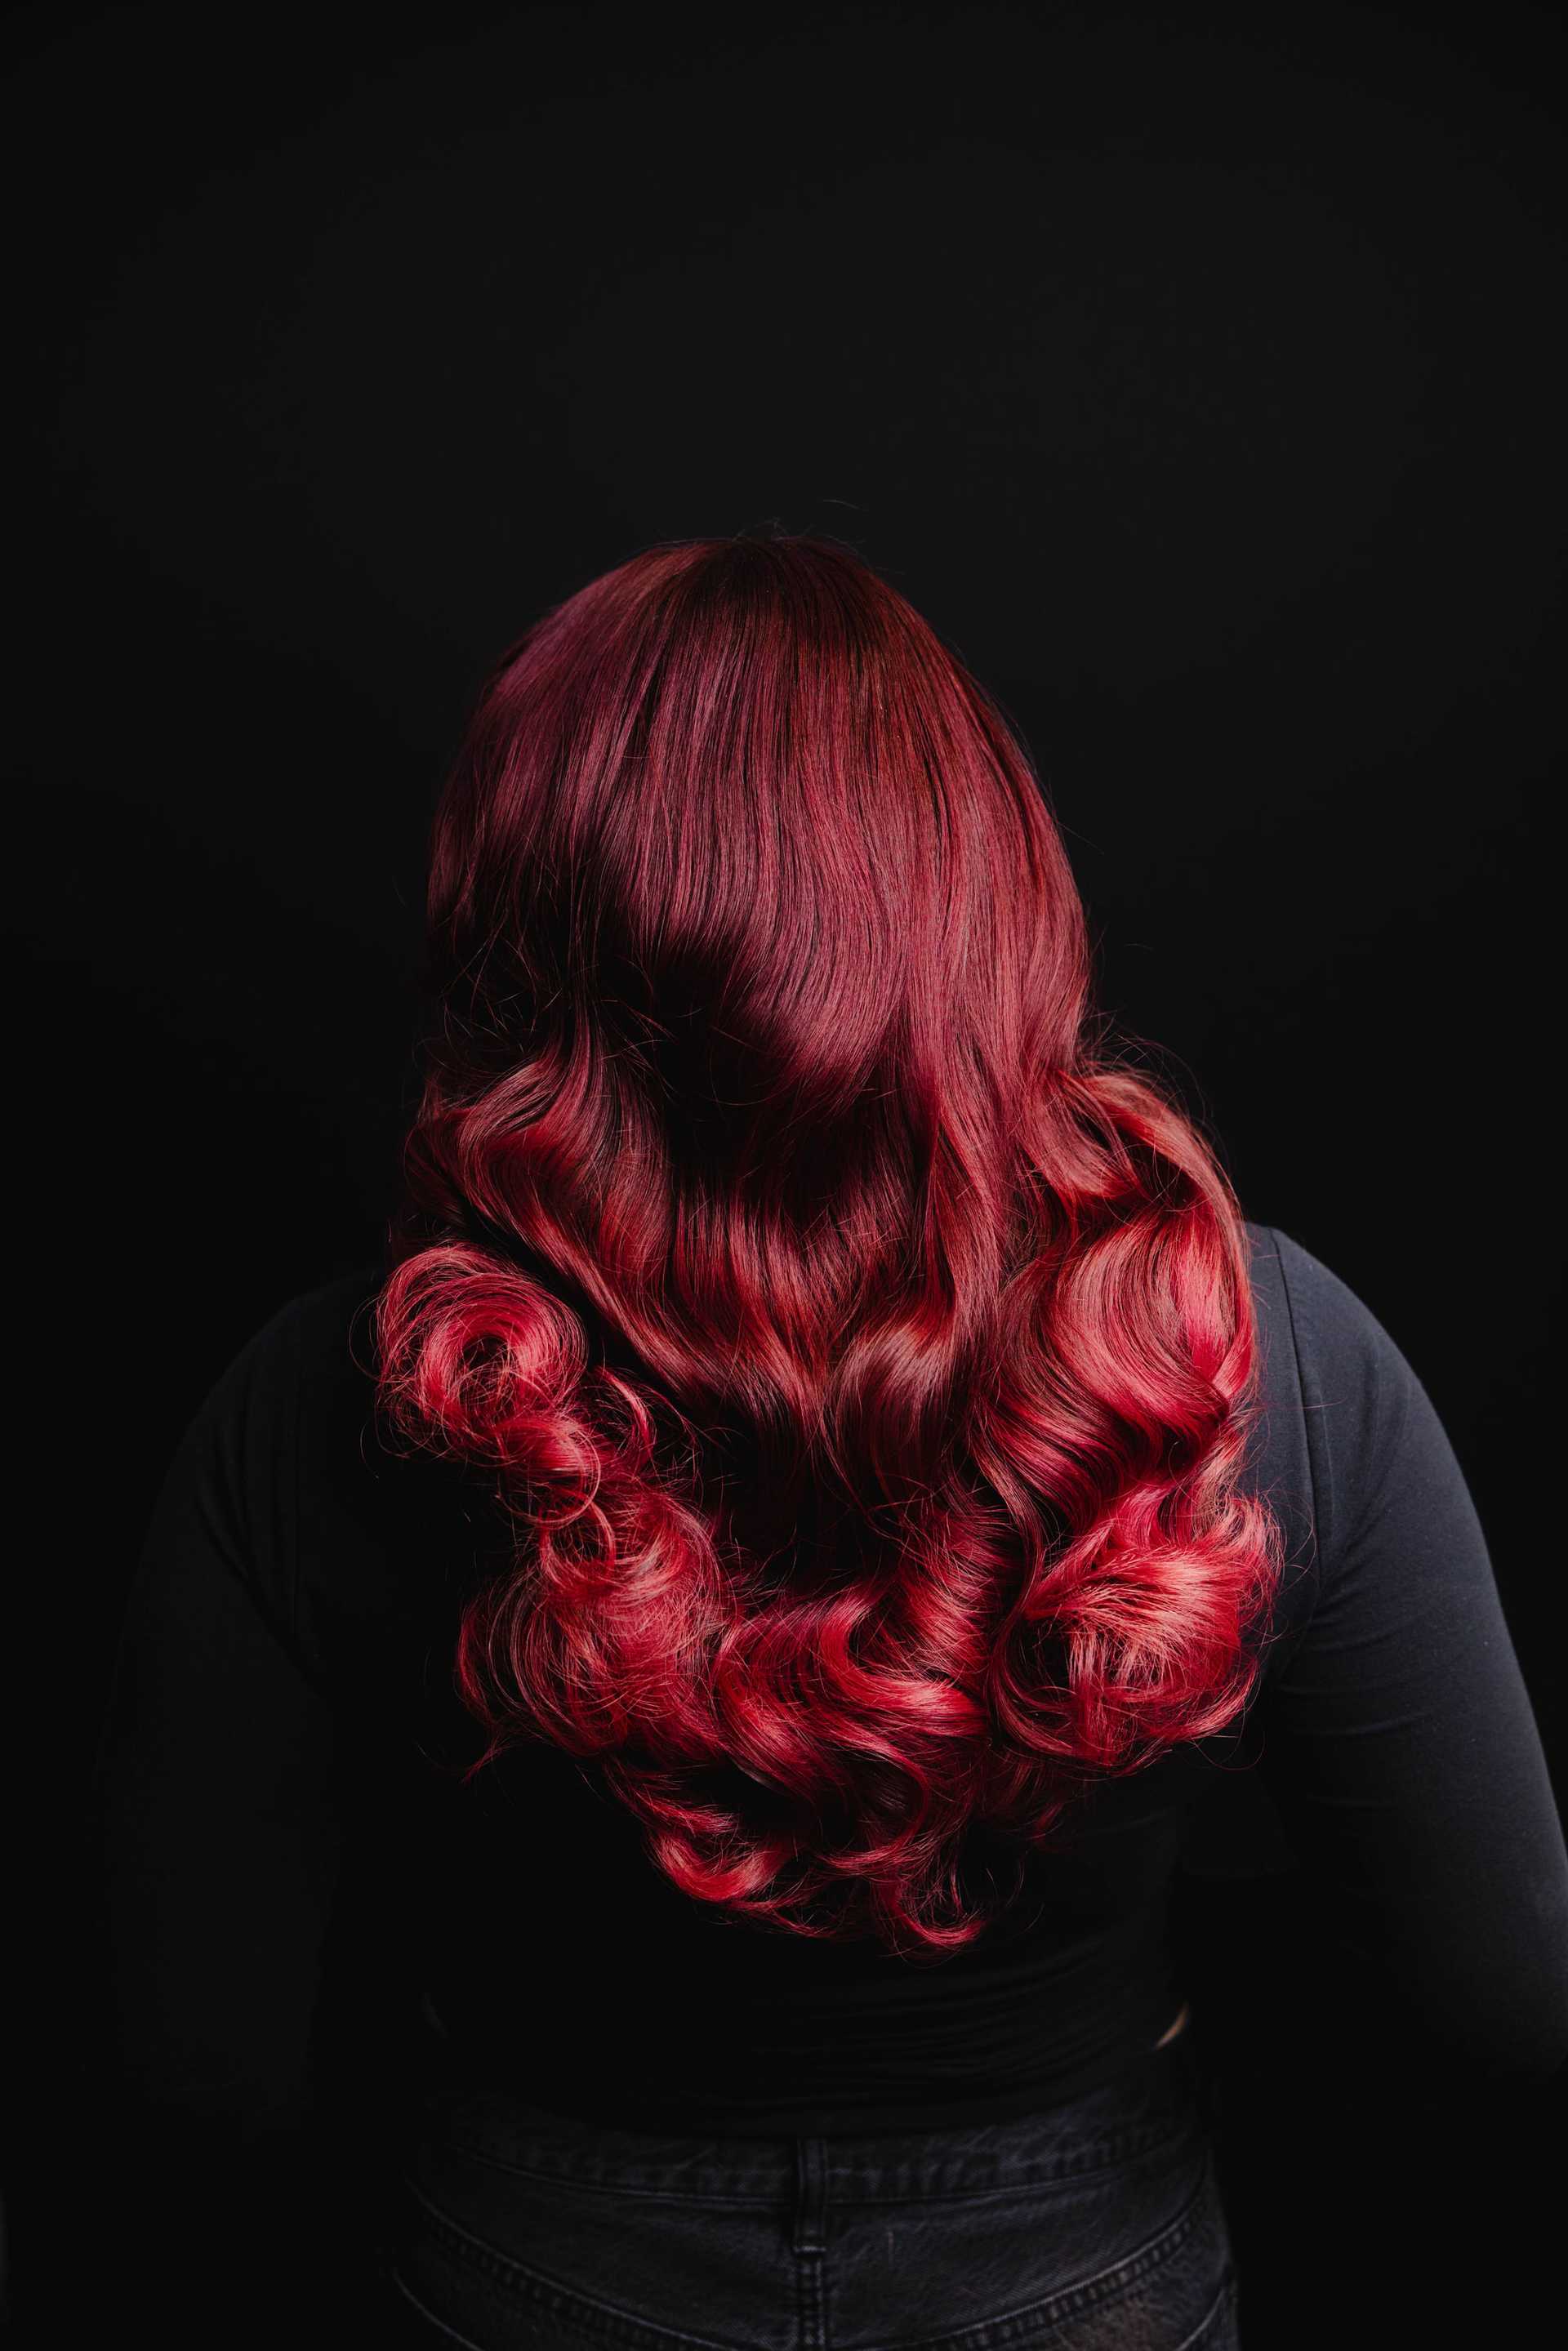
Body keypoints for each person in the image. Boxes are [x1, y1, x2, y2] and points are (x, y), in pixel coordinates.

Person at [86, 532, 1568, 2349]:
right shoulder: (1272, 1355)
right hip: (1081, 2270)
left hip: (533, 2267)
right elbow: (1505, 1999)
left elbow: (197, 2077)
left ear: (516, 929)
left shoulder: (331, 1398)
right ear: (987, 901)